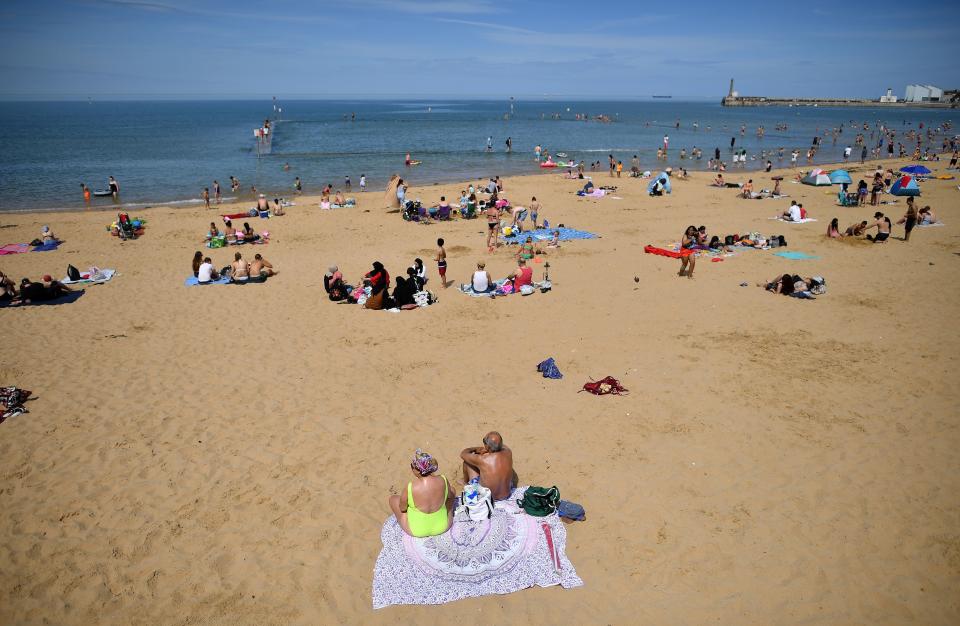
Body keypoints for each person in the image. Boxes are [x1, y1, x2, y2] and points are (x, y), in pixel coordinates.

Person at [388, 449, 454, 538]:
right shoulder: (443, 479)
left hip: (416, 531)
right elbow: (450, 496)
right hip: (443, 526)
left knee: (393, 499)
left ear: (417, 470)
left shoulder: (411, 487)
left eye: (412, 466)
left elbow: (403, 509)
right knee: (452, 491)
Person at [460, 432, 515, 501]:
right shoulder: (508, 452)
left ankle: (465, 482)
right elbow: (502, 446)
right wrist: (487, 449)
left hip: (488, 498)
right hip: (506, 495)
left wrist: (476, 449)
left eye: (484, 441)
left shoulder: (483, 459)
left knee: (467, 462)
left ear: (488, 446)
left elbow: (463, 454)